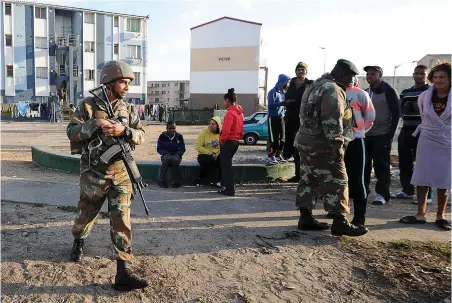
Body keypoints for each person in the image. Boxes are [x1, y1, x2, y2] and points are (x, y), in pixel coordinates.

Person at [67, 60, 148, 291]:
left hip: (120, 173)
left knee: (122, 219)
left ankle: (123, 272)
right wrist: (95, 124)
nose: (126, 87)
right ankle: (78, 240)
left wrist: (126, 131)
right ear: (109, 82)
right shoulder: (89, 106)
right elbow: (71, 132)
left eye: (128, 83)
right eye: (123, 82)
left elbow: (141, 135)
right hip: (94, 173)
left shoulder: (128, 109)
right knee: (86, 213)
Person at [295, 59, 368, 237]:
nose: (352, 81)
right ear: (343, 74)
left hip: (306, 141)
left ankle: (305, 217)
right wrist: (337, 146)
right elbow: (332, 120)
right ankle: (340, 222)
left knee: (308, 178)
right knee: (338, 180)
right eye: (351, 76)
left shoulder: (313, 86)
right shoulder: (332, 90)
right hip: (324, 144)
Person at [400, 62, 451, 231]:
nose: (438, 80)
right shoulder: (424, 96)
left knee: (444, 178)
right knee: (422, 175)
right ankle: (420, 214)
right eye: (435, 77)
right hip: (427, 138)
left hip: (447, 141)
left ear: (450, 79)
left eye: (442, 77)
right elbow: (424, 117)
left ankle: (440, 215)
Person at [392, 65, 433, 204]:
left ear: (427, 75)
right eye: (417, 73)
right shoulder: (405, 92)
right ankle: (407, 191)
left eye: (422, 73)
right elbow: (400, 110)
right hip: (407, 129)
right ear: (413, 75)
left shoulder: (431, 91)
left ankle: (427, 196)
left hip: (424, 131)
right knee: (405, 162)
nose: (419, 76)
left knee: (424, 163)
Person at [363, 65, 400, 205]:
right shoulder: (366, 92)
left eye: (372, 74)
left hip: (382, 135)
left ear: (379, 75)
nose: (369, 77)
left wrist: (390, 135)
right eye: (367, 74)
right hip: (366, 135)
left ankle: (382, 194)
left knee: (381, 166)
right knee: (364, 165)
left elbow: (397, 114)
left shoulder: (389, 91)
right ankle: (363, 191)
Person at [343, 76, 375, 227]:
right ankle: (339, 212)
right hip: (337, 142)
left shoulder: (360, 94)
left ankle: (359, 217)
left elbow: (370, 117)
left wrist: (359, 131)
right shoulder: (333, 92)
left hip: (356, 141)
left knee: (358, 180)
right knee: (338, 179)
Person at [283, 62, 313, 182]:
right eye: (299, 70)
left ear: (306, 71)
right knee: (292, 145)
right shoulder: (290, 83)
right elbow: (285, 98)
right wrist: (288, 102)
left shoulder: (310, 84)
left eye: (303, 70)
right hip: (291, 118)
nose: (301, 72)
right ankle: (297, 174)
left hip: (303, 119)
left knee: (302, 147)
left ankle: (304, 175)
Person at [218, 88, 244, 196]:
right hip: (235, 141)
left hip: (228, 142)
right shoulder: (240, 113)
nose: (224, 103)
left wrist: (221, 140)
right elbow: (242, 129)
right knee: (227, 164)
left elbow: (226, 130)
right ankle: (225, 185)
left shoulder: (230, 113)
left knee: (226, 167)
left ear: (227, 100)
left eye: (224, 101)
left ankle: (229, 189)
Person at [267, 74, 291, 165]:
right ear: (283, 82)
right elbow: (270, 105)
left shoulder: (283, 93)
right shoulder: (273, 92)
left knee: (283, 138)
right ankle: (271, 155)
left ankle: (278, 154)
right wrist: (282, 103)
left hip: (281, 117)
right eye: (287, 82)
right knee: (274, 139)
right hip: (273, 118)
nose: (288, 84)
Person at [194, 116, 222, 187]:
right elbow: (198, 146)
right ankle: (201, 179)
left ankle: (219, 181)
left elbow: (224, 146)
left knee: (222, 160)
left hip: (218, 154)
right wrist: (211, 153)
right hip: (205, 153)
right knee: (207, 161)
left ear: (218, 125)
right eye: (210, 123)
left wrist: (217, 154)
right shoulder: (204, 132)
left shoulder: (222, 133)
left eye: (213, 124)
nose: (210, 126)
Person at [157, 121, 186, 188]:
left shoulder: (179, 136)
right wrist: (165, 153)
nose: (172, 130)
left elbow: (182, 148)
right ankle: (162, 181)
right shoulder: (162, 136)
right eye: (170, 128)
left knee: (175, 160)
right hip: (166, 154)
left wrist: (178, 154)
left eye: (173, 128)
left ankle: (177, 181)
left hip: (176, 155)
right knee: (166, 160)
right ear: (166, 128)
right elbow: (159, 148)